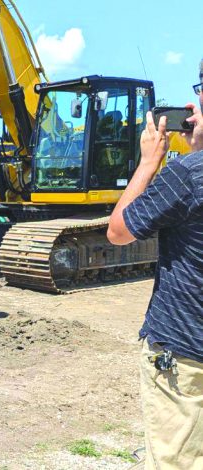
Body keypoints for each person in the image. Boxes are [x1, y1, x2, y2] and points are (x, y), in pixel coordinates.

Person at [107, 60, 203, 470]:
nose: (192, 101)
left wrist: (149, 162)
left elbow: (118, 231)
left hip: (184, 356)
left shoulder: (185, 175)